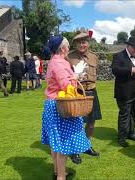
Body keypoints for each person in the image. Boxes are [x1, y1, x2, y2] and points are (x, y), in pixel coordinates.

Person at [41, 35, 91, 180]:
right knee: (62, 141)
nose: (69, 49)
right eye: (68, 46)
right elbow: (66, 86)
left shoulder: (55, 61)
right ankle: (61, 177)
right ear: (62, 48)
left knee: (55, 141)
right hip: (61, 106)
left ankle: (57, 171)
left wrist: (75, 75)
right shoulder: (59, 63)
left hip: (53, 104)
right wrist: (76, 75)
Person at [67, 31, 102, 163]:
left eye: (84, 42)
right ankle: (74, 151)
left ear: (88, 43)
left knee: (92, 122)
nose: (82, 44)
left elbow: (96, 73)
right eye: (78, 42)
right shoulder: (69, 57)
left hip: (92, 92)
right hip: (76, 92)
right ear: (75, 44)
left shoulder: (94, 57)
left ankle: (87, 146)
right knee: (76, 123)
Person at [111, 37, 135, 148]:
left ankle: (131, 133)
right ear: (129, 46)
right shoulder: (118, 56)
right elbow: (115, 70)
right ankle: (122, 137)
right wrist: (131, 70)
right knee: (124, 114)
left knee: (133, 113)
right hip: (124, 92)